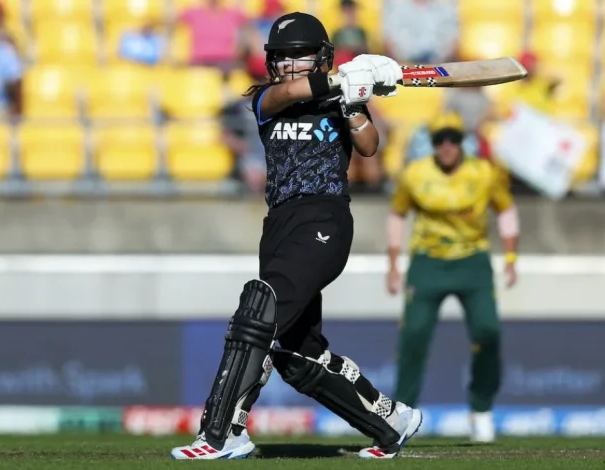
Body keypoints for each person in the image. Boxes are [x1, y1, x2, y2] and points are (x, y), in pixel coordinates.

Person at [170, 12, 422, 461]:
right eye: (282, 57)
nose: (290, 64)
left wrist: (354, 102)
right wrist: (344, 80)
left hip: (324, 221)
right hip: (280, 225)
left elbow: (369, 148)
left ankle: (223, 431)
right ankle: (391, 421)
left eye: (300, 56)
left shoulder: (337, 102)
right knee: (298, 352)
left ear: (319, 57)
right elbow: (290, 92)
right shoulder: (267, 99)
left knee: (259, 311)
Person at [385, 114, 520, 443]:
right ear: (432, 143)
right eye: (440, 139)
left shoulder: (484, 173)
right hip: (428, 261)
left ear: (463, 141)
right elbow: (397, 214)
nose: (447, 146)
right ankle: (403, 414)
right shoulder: (415, 174)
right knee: (414, 336)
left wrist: (511, 257)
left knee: (488, 331)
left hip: (473, 260)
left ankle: (482, 409)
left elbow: (505, 208)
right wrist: (393, 264)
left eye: (453, 138)